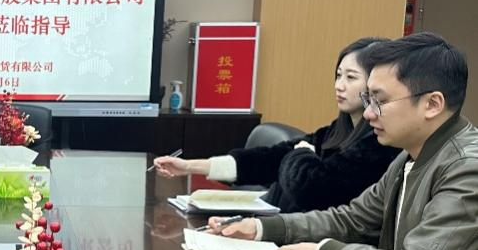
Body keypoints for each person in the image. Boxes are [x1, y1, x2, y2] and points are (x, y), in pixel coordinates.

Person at [213, 33, 478, 250]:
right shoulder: (409, 156)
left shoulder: (466, 168)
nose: (368, 113)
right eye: (368, 100)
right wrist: (263, 228)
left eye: (380, 101)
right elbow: (351, 219)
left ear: (432, 104)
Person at [154, 37, 398, 212]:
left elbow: (314, 191)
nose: (339, 85)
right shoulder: (338, 130)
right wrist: (190, 166)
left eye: (350, 77)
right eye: (338, 75)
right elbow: (270, 159)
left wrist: (301, 155)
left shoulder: (380, 144)